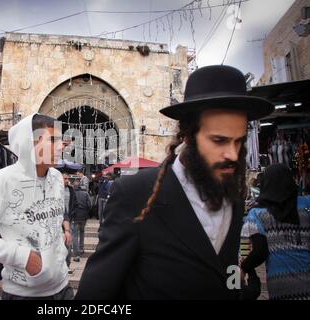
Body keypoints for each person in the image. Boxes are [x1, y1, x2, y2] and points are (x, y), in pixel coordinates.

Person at [75, 65, 275, 300]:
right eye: (219, 140)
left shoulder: (233, 197)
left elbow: (227, 268)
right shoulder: (136, 194)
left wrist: (236, 292)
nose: (232, 154)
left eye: (239, 141)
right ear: (189, 135)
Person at [0, 114, 74, 300]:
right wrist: (21, 256)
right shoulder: (3, 180)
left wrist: (60, 250)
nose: (62, 146)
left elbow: (53, 221)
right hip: (24, 295)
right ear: (31, 143)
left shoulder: (57, 178)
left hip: (63, 289)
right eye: (53, 139)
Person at [241, 164, 310, 300]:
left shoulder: (257, 215)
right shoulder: (307, 205)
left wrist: (244, 268)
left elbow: (259, 252)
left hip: (280, 285)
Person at [71, 182, 91, 262]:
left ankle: (77, 252)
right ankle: (82, 248)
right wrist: (86, 211)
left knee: (75, 234)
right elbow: (89, 204)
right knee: (82, 232)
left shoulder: (72, 194)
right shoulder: (85, 193)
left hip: (75, 216)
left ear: (74, 186)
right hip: (84, 216)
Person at [62, 173, 76, 274]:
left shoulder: (71, 190)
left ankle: (67, 265)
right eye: (65, 178)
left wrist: (72, 216)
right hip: (57, 220)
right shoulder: (55, 189)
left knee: (68, 243)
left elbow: (75, 203)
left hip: (68, 219)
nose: (67, 180)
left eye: (68, 178)